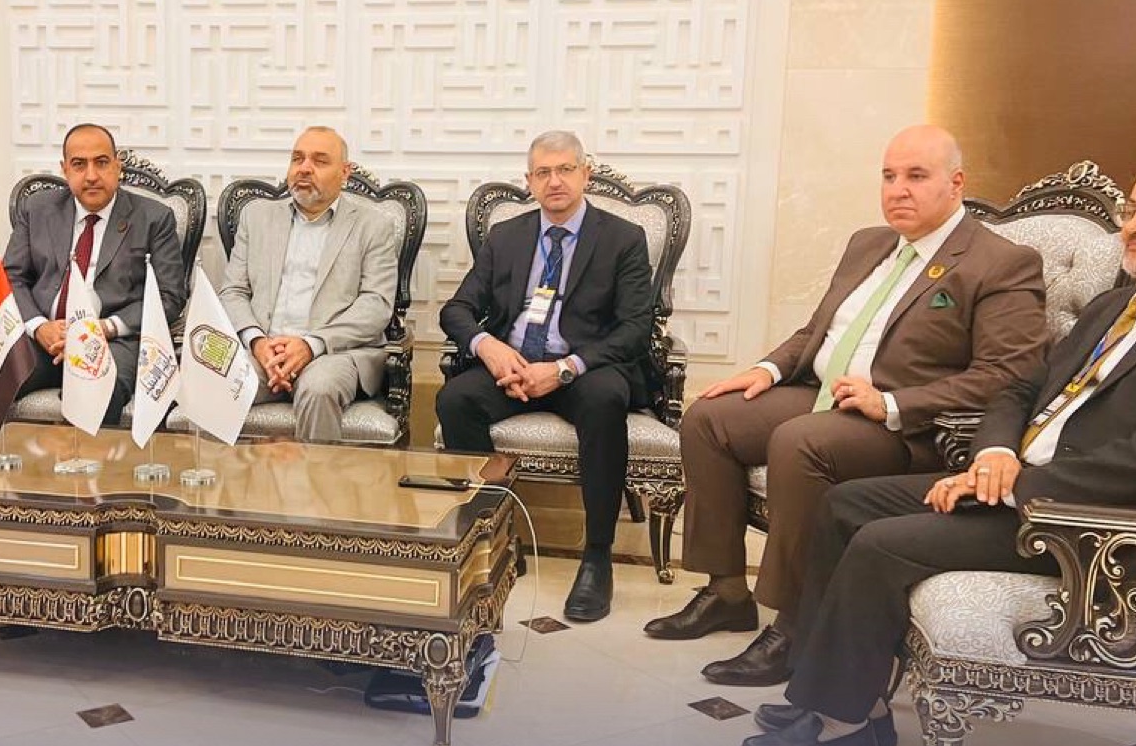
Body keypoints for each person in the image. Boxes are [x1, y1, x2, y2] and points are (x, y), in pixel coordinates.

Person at [740, 153, 1136, 746]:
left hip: (1101, 524)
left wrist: (1012, 486)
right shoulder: (1114, 308)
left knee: (882, 543)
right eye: (1131, 210)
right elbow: (1020, 387)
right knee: (845, 502)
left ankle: (842, 727)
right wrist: (994, 453)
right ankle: (850, 698)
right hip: (1022, 481)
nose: (1133, 225)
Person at [651, 126, 1048, 689]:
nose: (898, 190)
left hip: (909, 427)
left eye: (916, 176)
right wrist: (765, 370)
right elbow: (818, 330)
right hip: (824, 394)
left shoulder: (1001, 262)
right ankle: (726, 591)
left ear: (956, 183)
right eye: (889, 176)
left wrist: (891, 402)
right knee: (710, 418)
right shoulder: (870, 242)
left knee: (800, 442)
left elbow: (1008, 374)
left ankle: (796, 624)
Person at [437, 130, 654, 622]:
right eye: (543, 173)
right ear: (529, 181)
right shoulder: (506, 236)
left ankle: (597, 557)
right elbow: (457, 309)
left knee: (605, 401)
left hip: (584, 367)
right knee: (455, 400)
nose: (554, 181)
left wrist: (562, 369)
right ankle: (493, 536)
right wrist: (489, 347)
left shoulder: (622, 239)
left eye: (565, 170)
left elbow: (635, 329)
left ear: (585, 174)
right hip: (514, 365)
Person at [0, 124, 186, 430]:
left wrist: (103, 328)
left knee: (96, 383)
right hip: (42, 340)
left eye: (102, 162)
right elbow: (10, 278)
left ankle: (84, 463)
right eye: (79, 164)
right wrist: (39, 327)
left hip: (112, 342)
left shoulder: (154, 217)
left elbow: (170, 296)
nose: (91, 175)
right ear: (65, 169)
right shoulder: (38, 209)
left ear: (118, 166)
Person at [219, 126, 401, 443]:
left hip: (333, 353)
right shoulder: (257, 217)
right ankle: (224, 477)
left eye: (319, 161)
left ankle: (314, 477)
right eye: (297, 158)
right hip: (262, 351)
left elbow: (376, 306)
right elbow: (233, 291)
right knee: (214, 380)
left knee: (319, 388)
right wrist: (257, 342)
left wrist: (310, 345)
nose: (304, 168)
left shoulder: (373, 226)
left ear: (345, 172)